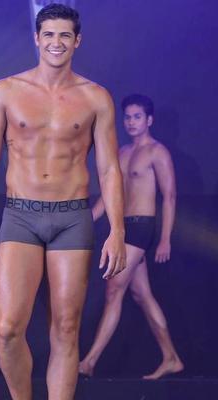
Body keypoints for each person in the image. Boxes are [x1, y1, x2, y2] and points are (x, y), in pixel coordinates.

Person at [0, 4, 126, 400]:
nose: (57, 42)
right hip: (20, 215)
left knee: (66, 328)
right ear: (37, 39)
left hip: (72, 218)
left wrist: (117, 231)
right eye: (50, 35)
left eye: (65, 35)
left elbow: (109, 168)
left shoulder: (96, 97)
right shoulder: (5, 91)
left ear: (77, 41)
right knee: (7, 329)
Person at [79, 94, 184, 380]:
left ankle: (89, 361)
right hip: (123, 227)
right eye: (127, 117)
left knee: (114, 289)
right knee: (142, 294)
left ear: (149, 120)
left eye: (137, 117)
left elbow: (170, 197)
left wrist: (165, 239)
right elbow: (108, 197)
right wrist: (84, 221)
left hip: (142, 227)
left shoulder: (157, 152)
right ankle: (171, 358)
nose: (131, 122)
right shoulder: (122, 152)